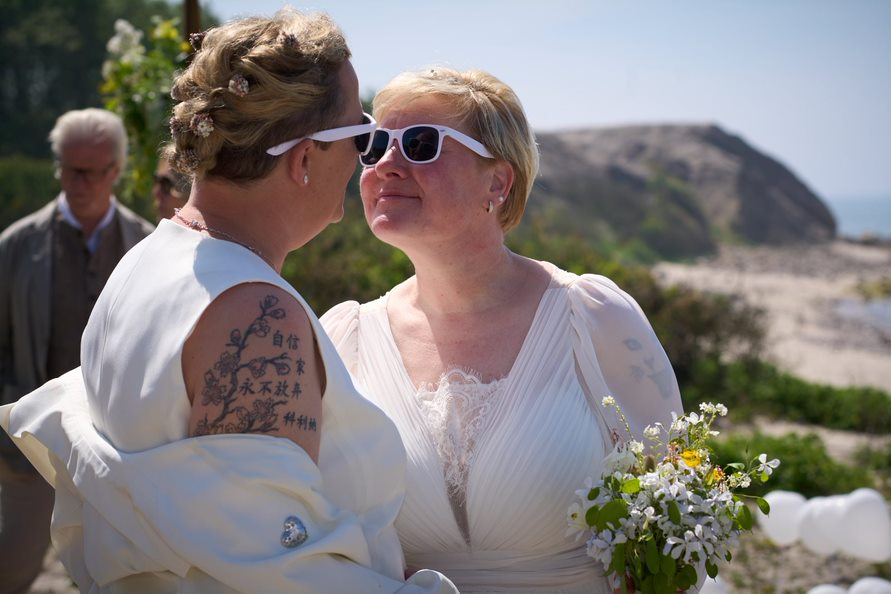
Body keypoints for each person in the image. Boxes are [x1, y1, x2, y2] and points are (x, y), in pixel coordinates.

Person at [1, 11, 456, 594]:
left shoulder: (147, 257)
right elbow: (276, 573)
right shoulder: (255, 318)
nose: (365, 157)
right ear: (304, 159)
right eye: (358, 134)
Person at [321, 67, 685, 594]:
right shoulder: (345, 338)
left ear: (497, 180)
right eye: (374, 144)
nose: (387, 164)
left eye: (421, 144)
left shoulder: (592, 317)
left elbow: (678, 521)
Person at [0, 107, 154, 594]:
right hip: (27, 451)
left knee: (119, 579)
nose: (77, 182)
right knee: (10, 570)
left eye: (91, 171)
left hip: (116, 458)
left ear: (116, 172)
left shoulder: (145, 247)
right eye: (69, 169)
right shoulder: (17, 246)